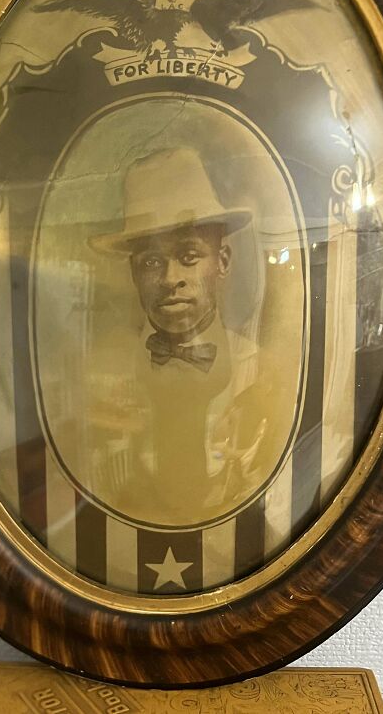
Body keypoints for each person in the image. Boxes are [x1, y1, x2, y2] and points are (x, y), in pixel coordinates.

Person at [84, 147, 288, 527]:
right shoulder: (100, 371)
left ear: (222, 262)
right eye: (151, 262)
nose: (169, 278)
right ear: (133, 273)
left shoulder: (260, 369)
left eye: (189, 256)